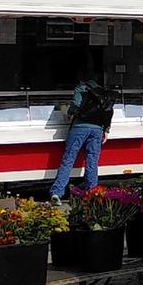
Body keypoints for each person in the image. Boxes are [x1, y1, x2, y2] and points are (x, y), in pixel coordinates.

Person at [49, 70, 114, 199]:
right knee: (92, 161)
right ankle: (93, 193)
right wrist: (106, 130)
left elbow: (74, 107)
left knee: (68, 160)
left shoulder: (81, 88)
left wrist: (67, 111)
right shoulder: (102, 91)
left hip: (79, 127)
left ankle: (57, 192)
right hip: (97, 130)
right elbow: (108, 110)